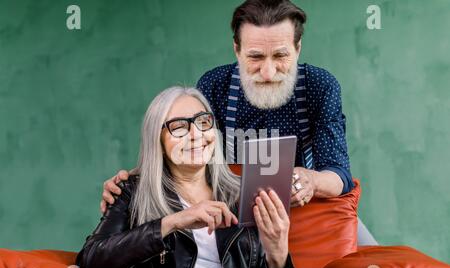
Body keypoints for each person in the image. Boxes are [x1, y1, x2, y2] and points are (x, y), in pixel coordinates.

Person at [99, 0, 378, 245]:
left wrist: (312, 180)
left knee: (376, 267)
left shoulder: (320, 86)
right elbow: (190, 150)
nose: (268, 73)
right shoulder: (215, 85)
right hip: (232, 213)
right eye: (255, 57)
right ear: (236, 49)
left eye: (281, 56)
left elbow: (340, 176)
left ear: (298, 48)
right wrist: (134, 180)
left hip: (306, 211)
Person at [76, 87, 294, 268]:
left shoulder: (241, 194)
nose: (196, 134)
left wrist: (278, 253)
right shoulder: (132, 191)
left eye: (203, 121)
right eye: (179, 127)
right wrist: (173, 222)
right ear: (158, 141)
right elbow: (90, 262)